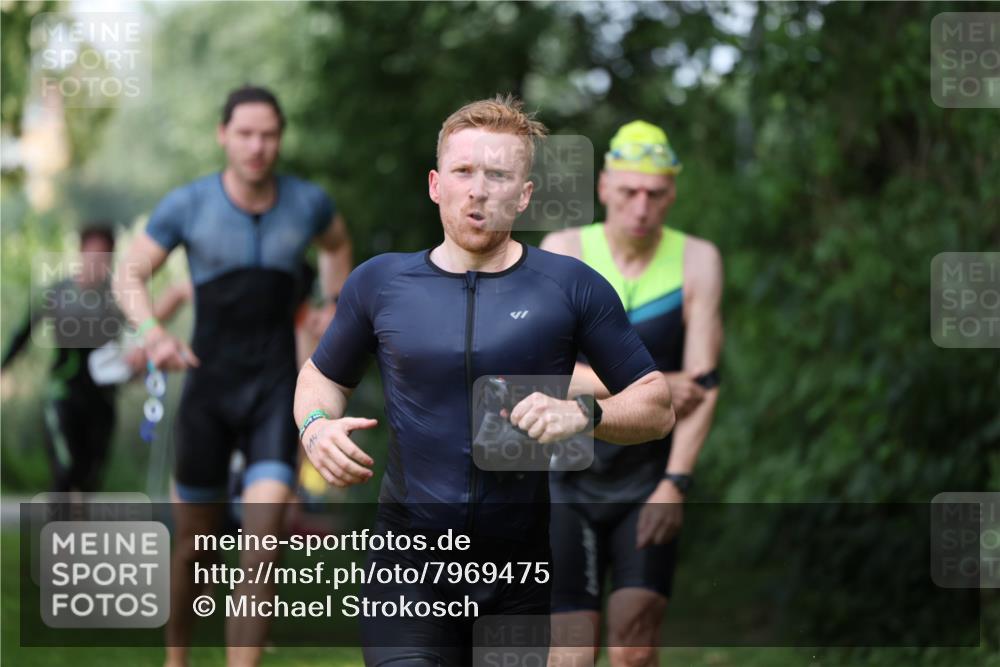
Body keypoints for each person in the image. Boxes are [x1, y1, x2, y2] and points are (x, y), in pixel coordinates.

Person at [294, 95, 676, 666]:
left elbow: (657, 405)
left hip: (516, 576)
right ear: (435, 184)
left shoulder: (570, 287)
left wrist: (584, 415)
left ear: (523, 194)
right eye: (463, 172)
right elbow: (319, 377)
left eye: (497, 175)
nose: (478, 189)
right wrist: (317, 428)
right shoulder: (381, 284)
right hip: (408, 565)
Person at [113, 85, 352, 667]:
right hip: (209, 393)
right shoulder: (188, 205)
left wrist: (333, 301)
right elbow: (131, 273)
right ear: (223, 135)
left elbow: (338, 244)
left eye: (269, 134)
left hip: (277, 391)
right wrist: (153, 335)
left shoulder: (308, 203)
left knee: (261, 547)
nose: (257, 146)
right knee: (195, 548)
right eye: (245, 134)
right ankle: (178, 660)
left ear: (280, 137)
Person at [541, 120, 724, 667]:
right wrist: (651, 385)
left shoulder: (698, 260)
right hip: (565, 474)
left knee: (635, 642)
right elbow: (544, 375)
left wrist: (676, 482)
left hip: (648, 476)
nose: (641, 206)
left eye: (656, 193)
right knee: (571, 648)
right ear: (603, 188)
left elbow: (705, 385)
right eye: (628, 192)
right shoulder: (564, 250)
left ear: (672, 193)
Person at [1, 224, 188, 493]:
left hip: (103, 400)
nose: (97, 262)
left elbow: (139, 337)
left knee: (91, 479)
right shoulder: (56, 293)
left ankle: (78, 534)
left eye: (104, 256)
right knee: (67, 472)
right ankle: (58, 533)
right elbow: (23, 333)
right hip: (63, 395)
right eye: (93, 255)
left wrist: (141, 364)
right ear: (81, 254)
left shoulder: (118, 299)